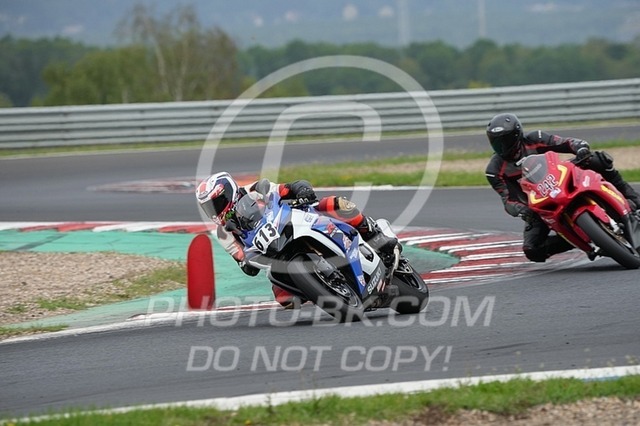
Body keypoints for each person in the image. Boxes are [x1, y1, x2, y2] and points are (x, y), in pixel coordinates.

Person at [195, 171, 398, 305]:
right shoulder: (223, 233)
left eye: (217, 203)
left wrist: (301, 190)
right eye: (209, 208)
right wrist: (246, 263)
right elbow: (244, 261)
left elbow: (285, 188)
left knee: (334, 204)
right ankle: (324, 289)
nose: (214, 210)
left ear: (228, 192)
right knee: (285, 299)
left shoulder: (253, 190)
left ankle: (375, 234)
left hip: (293, 219)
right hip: (275, 252)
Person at [485, 113, 640, 263]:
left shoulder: (535, 138)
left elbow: (566, 142)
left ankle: (633, 200)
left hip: (560, 179)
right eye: (496, 143)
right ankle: (581, 238)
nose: (501, 147)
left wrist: (580, 148)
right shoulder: (494, 170)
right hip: (538, 204)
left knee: (597, 159)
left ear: (516, 135)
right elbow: (508, 200)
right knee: (532, 250)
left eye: (505, 141)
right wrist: (522, 210)